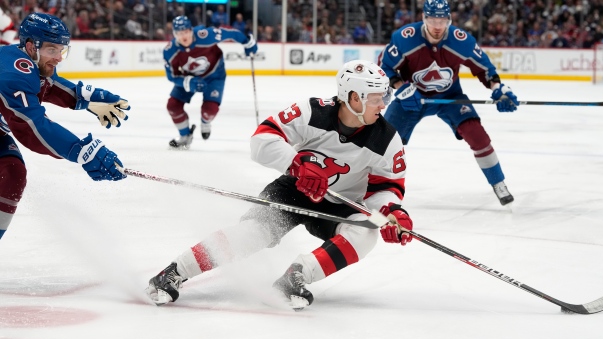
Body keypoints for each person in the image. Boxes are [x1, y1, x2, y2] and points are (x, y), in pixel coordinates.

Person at [146, 60, 414, 311]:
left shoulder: (387, 139)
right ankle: (174, 271)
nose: (383, 105)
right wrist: (295, 164)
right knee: (253, 233)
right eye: (378, 98)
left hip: (341, 203)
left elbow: (385, 188)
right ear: (355, 98)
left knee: (366, 234)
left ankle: (295, 276)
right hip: (293, 189)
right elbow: (261, 140)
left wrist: (391, 212)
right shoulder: (312, 111)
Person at [0, 13, 130, 239]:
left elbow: (50, 85)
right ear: (31, 47)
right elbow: (32, 127)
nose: (59, 57)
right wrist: (81, 151)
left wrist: (89, 99)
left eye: (62, 50)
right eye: (52, 50)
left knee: (13, 173)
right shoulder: (13, 74)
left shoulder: (26, 62)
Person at [378, 0, 519, 206]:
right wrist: (401, 87)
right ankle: (371, 185)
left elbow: (484, 68)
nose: (437, 26)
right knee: (384, 140)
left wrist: (498, 88)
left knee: (477, 135)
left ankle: (498, 183)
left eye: (442, 20)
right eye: (432, 20)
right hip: (412, 97)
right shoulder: (405, 38)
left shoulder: (461, 41)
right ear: (424, 19)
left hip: (449, 96)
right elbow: (385, 66)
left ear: (449, 20)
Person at [163, 15, 257, 149]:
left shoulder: (205, 35)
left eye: (186, 32)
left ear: (191, 30)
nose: (183, 36)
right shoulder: (170, 51)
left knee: (210, 110)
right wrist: (188, 82)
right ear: (174, 34)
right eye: (179, 33)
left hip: (215, 76)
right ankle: (185, 136)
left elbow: (230, 33)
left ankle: (205, 122)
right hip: (190, 77)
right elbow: (172, 76)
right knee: (173, 105)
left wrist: (247, 42)